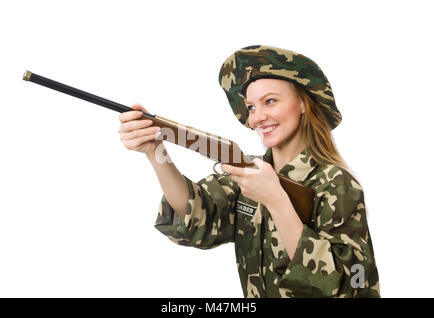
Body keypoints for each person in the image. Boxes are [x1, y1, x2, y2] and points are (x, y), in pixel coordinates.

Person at [118, 45, 380, 298]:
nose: (257, 117)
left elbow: (351, 284)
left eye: (270, 101)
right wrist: (156, 152)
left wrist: (277, 201)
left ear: (303, 104)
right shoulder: (249, 174)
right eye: (251, 107)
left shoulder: (336, 183)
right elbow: (195, 214)